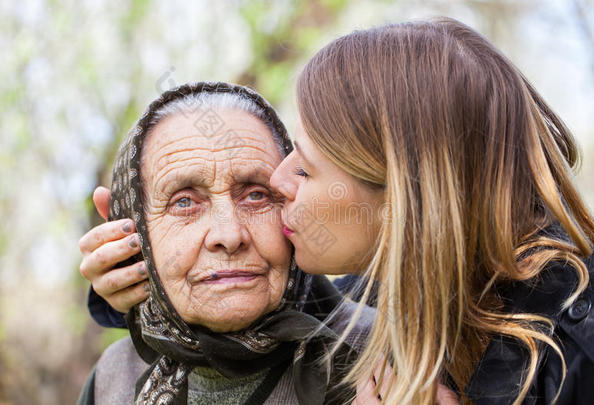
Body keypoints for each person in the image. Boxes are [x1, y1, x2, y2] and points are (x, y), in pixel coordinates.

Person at [80, 17, 594, 404]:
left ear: (405, 195)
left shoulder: (566, 352)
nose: (280, 182)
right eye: (184, 202)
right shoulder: (112, 379)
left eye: (303, 168)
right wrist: (136, 284)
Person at [77, 82, 376, 405]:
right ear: (136, 231)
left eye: (256, 195)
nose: (230, 235)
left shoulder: (389, 357)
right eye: (184, 202)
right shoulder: (112, 378)